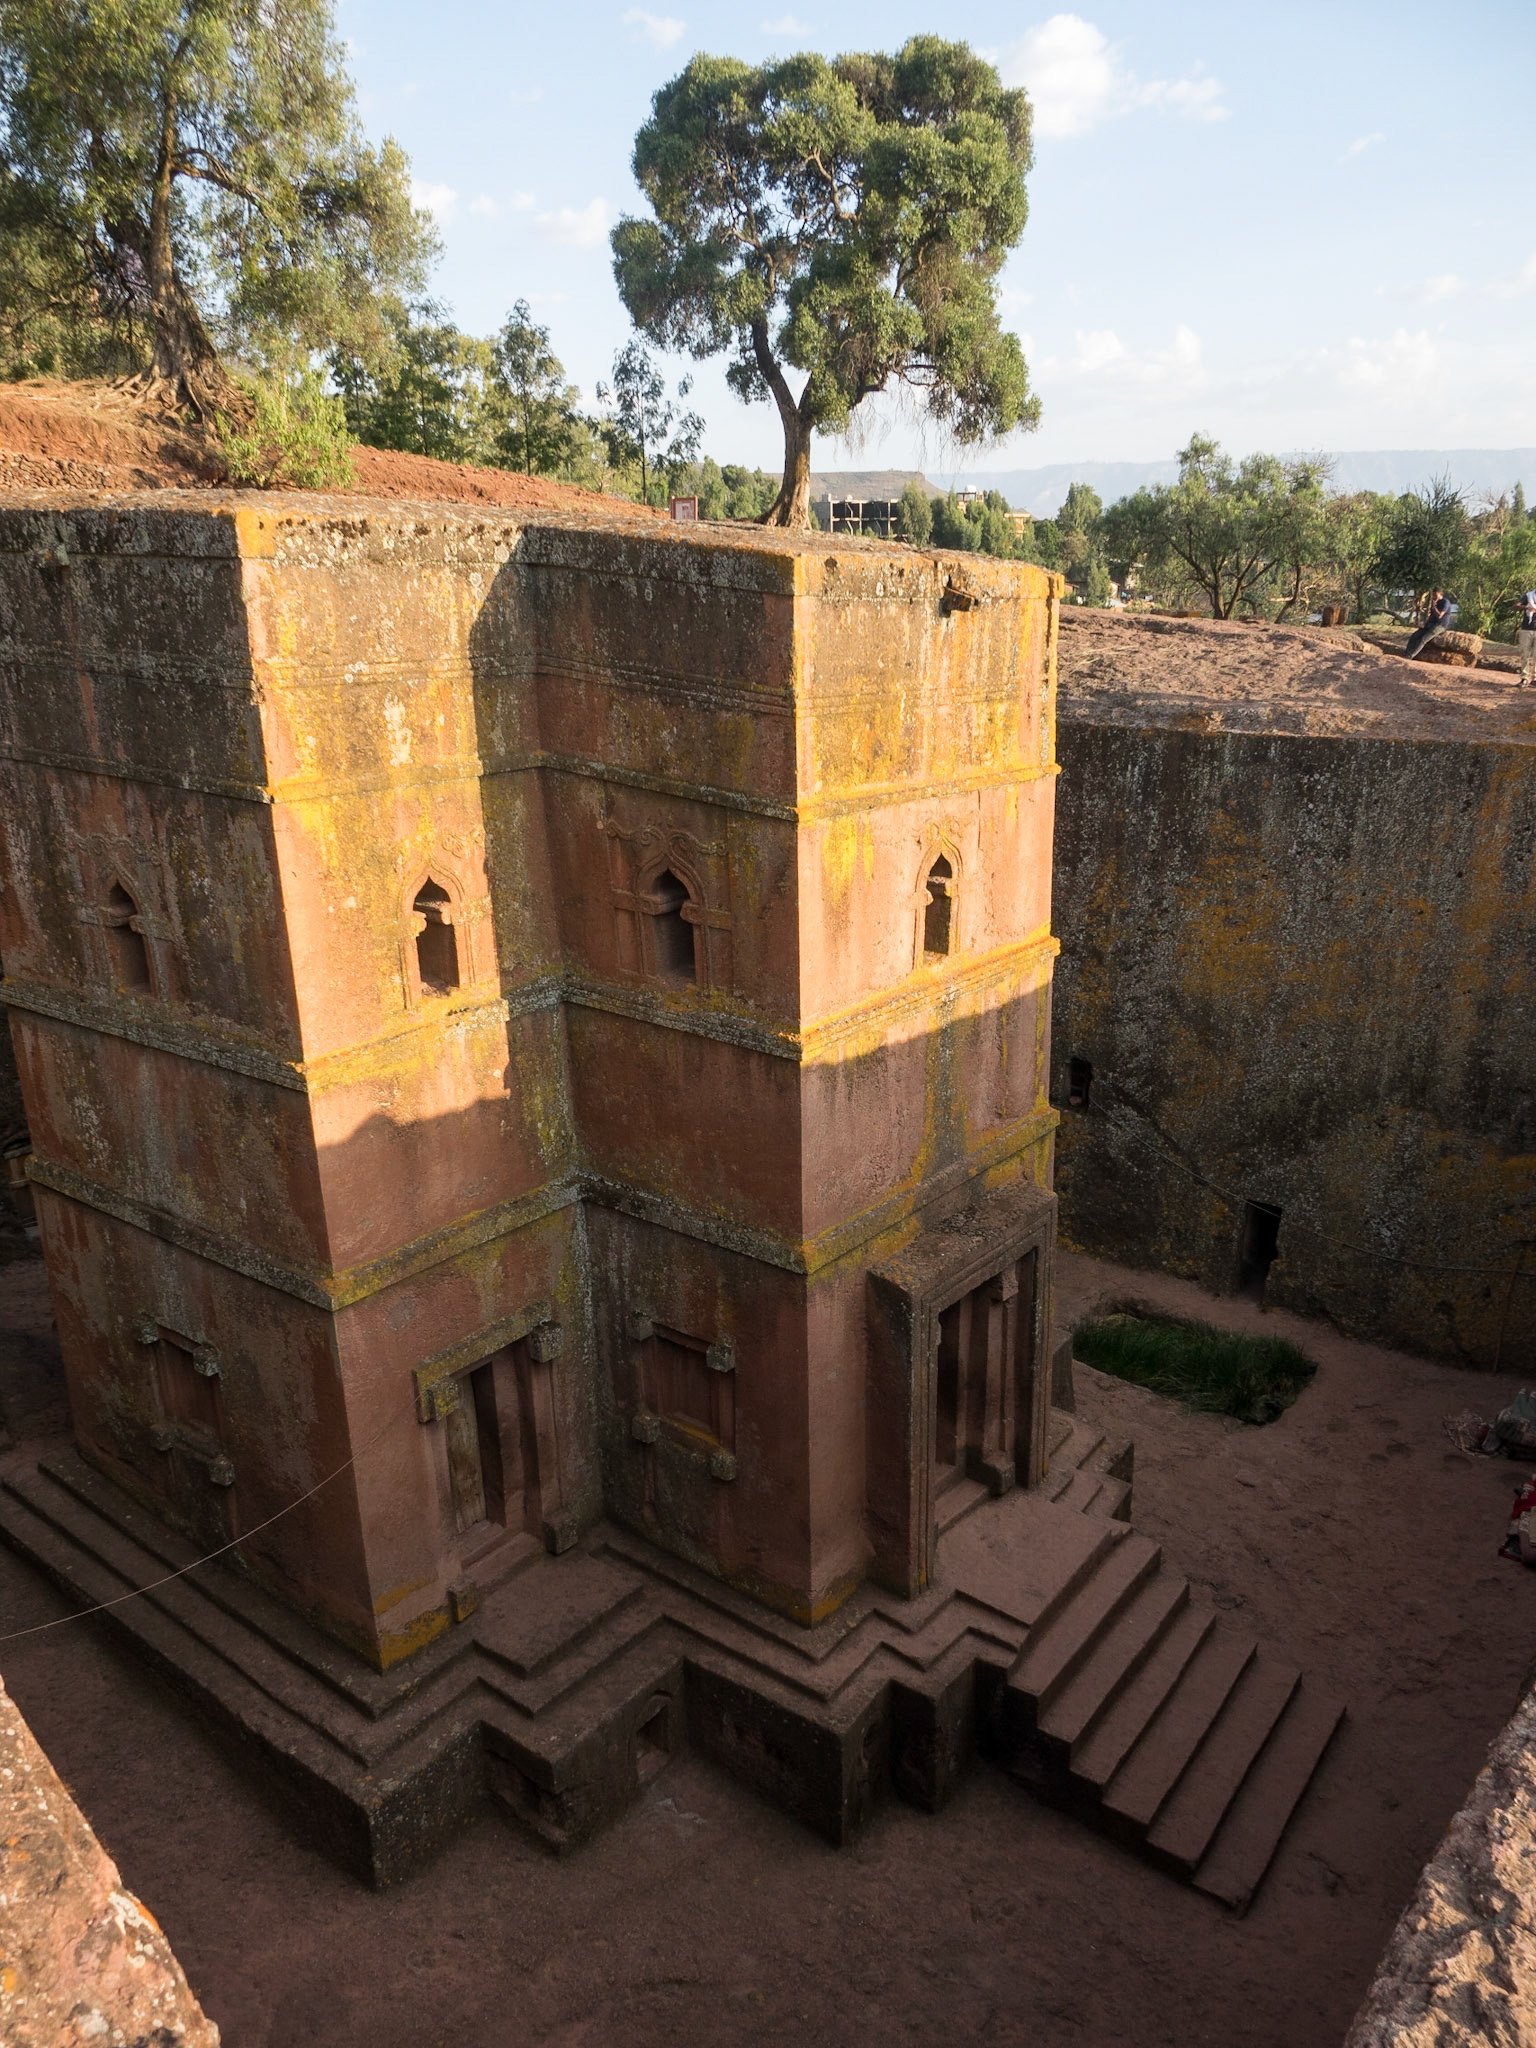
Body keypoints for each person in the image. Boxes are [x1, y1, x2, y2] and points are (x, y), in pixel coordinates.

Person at [1405, 588, 1452, 660]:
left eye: (1435, 595)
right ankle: (1406, 653)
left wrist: (1434, 606)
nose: (1433, 597)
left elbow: (1439, 615)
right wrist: (1425, 625)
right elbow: (1431, 616)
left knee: (1423, 639)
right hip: (1431, 624)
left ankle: (1410, 656)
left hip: (1440, 625)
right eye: (1433, 595)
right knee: (1415, 636)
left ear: (1440, 594)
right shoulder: (1436, 603)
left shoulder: (1445, 602)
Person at [1519, 588, 1536, 688]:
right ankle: (1524, 678)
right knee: (1524, 654)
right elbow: (1516, 606)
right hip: (1527, 629)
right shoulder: (1528, 596)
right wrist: (1526, 607)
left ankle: (1535, 679)